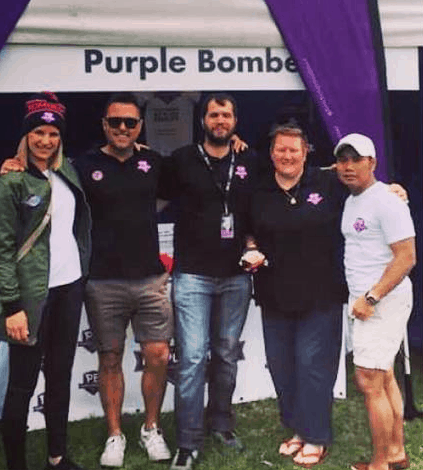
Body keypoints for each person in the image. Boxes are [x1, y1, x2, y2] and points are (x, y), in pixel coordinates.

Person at [159, 93, 263, 470]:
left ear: (235, 120)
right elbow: (144, 183)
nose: (220, 120)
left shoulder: (249, 160)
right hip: (192, 276)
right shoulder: (181, 160)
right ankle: (187, 443)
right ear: (202, 120)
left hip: (236, 275)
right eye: (214, 114)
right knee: (190, 359)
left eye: (227, 114)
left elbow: (288, 178)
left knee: (225, 355)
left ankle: (221, 423)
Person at [0, 92, 91, 470]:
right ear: (26, 136)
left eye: (52, 133)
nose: (45, 140)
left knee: (61, 376)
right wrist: (12, 306)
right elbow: (0, 253)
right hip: (31, 297)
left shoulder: (68, 172)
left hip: (69, 288)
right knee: (22, 384)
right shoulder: (10, 184)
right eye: (38, 133)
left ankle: (57, 457)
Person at [75, 93, 173, 467]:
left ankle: (151, 428)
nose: (122, 128)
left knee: (158, 354)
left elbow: (183, 186)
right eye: (115, 121)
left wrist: (235, 144)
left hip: (149, 277)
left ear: (140, 127)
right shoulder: (83, 165)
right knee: (110, 357)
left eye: (130, 123)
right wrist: (15, 162)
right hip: (102, 280)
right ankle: (115, 435)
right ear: (104, 124)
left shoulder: (153, 161)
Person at [250, 121, 345, 468]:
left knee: (313, 366)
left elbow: (365, 186)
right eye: (280, 149)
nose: (287, 155)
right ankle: (299, 430)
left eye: (294, 149)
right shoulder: (259, 191)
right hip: (274, 293)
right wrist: (250, 248)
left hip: (321, 293)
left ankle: (317, 435)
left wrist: (391, 189)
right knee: (282, 366)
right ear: (272, 153)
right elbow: (249, 231)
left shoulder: (329, 182)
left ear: (306, 151)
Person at [334, 133, 416, 470]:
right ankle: (395, 453)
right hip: (368, 301)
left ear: (373, 162)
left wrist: (371, 297)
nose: (348, 166)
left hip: (380, 301)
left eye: (357, 159)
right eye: (343, 159)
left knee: (368, 380)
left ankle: (379, 464)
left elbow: (406, 257)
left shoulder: (386, 201)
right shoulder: (355, 196)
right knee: (383, 377)